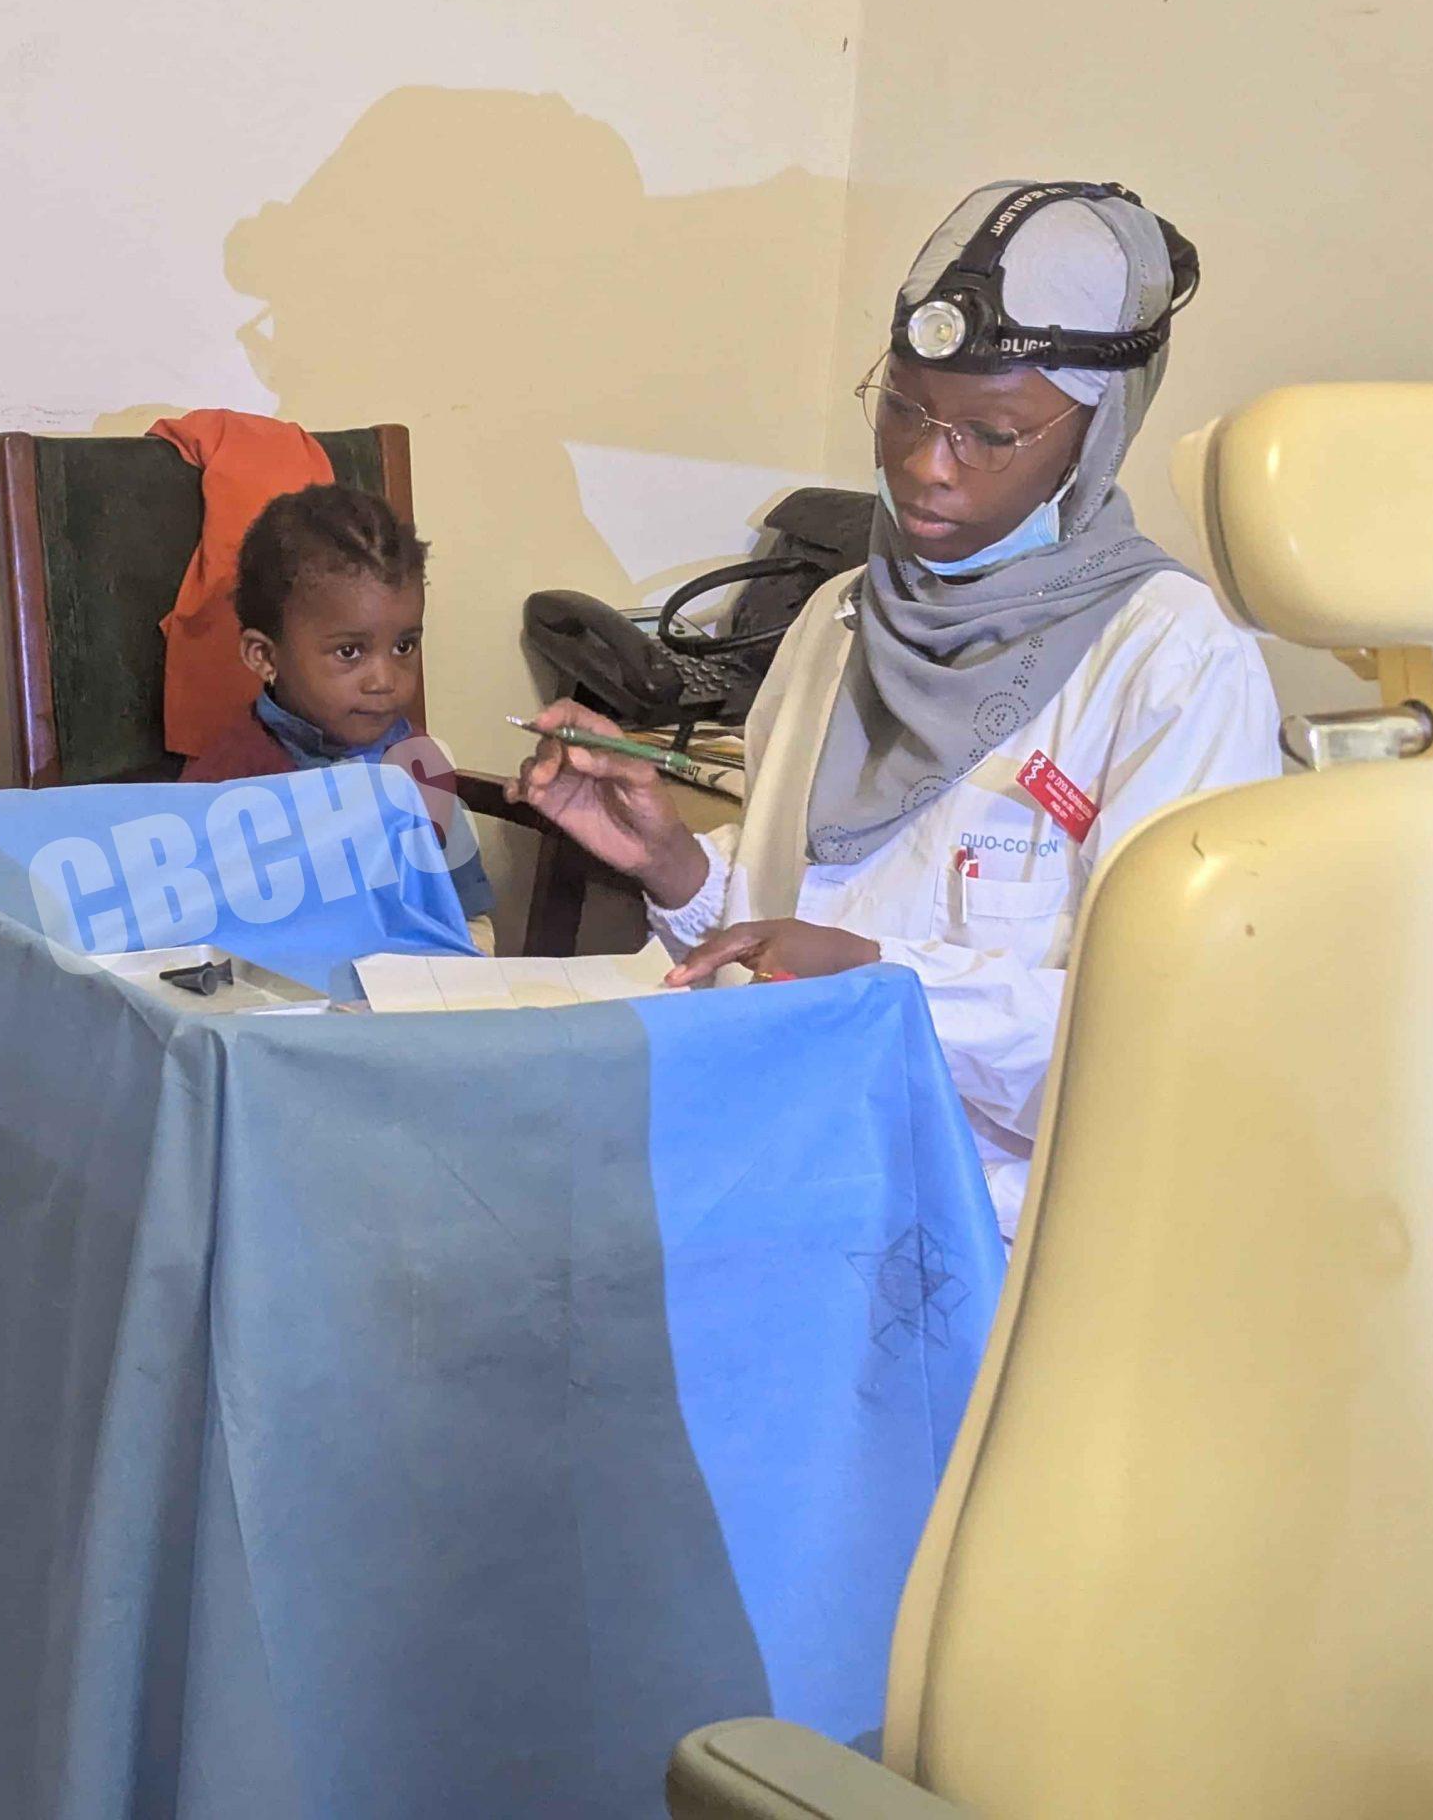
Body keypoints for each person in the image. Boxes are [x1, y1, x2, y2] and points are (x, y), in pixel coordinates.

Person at [512, 182, 1279, 1237]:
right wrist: (673, 868)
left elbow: (1165, 1037)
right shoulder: (839, 616)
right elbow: (803, 904)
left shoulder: (1170, 662)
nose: (925, 466)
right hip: (780, 1169)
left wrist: (885, 987)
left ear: (1092, 437)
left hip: (988, 1237)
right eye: (904, 409)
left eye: (991, 434)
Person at [181, 482, 498, 950]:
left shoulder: (418, 764)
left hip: (418, 996)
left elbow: (469, 919)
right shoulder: (225, 784)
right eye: (350, 652)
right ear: (264, 657)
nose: (385, 680)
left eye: (404, 646)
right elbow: (198, 944)